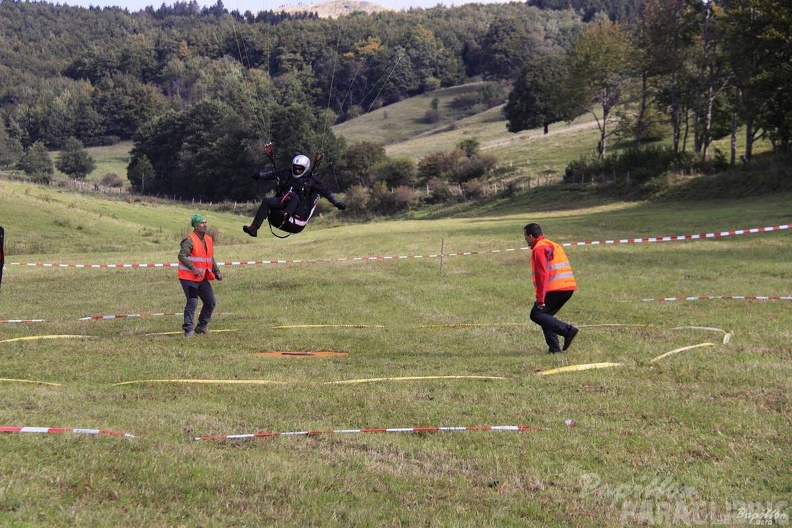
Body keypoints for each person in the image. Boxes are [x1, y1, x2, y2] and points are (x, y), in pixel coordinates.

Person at [243, 152, 346, 237]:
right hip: (284, 203)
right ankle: (254, 228)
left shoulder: (312, 180)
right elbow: (273, 175)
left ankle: (285, 215)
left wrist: (337, 203)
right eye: (295, 168)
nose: (297, 171)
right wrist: (259, 175)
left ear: (305, 168)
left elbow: (327, 193)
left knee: (294, 197)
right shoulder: (287, 173)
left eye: (300, 169)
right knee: (267, 201)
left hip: (298, 214)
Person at [523, 222, 579, 353]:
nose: (525, 239)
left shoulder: (539, 249)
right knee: (545, 317)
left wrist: (541, 298)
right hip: (567, 287)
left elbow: (542, 274)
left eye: (525, 236)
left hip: (556, 288)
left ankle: (568, 330)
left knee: (536, 314)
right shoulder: (552, 244)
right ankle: (554, 349)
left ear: (531, 236)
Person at [178, 214, 223, 337]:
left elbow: (210, 257)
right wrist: (193, 268)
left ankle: (202, 326)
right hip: (189, 279)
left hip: (202, 278)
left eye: (205, 222)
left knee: (210, 301)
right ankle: (188, 330)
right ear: (196, 226)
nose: (205, 225)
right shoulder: (189, 240)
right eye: (202, 223)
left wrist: (216, 271)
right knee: (192, 302)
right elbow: (181, 256)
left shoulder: (208, 239)